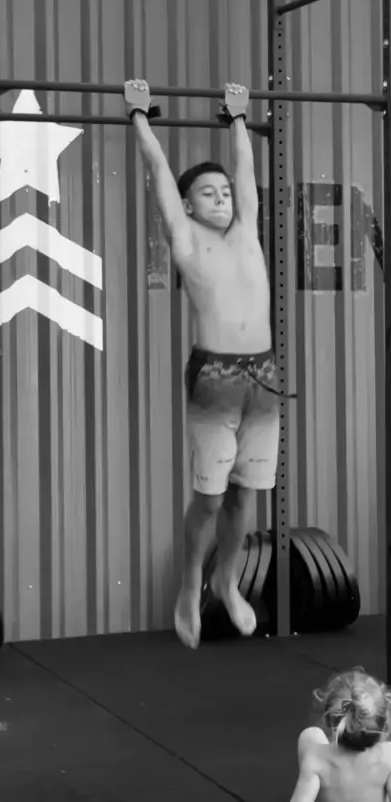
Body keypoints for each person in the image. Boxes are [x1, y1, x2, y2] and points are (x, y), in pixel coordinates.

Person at [124, 78, 279, 649]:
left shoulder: (247, 233)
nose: (221, 198)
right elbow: (161, 175)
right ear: (188, 206)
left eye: (225, 193)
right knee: (210, 498)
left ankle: (226, 580)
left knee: (245, 493)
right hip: (215, 376)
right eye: (208, 193)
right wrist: (140, 117)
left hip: (263, 375)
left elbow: (246, 172)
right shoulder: (185, 237)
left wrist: (237, 119)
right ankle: (191, 583)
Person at [291, 668, 391, 802]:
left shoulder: (316, 757)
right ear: (384, 725)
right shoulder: (388, 755)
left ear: (328, 720)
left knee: (310, 735)